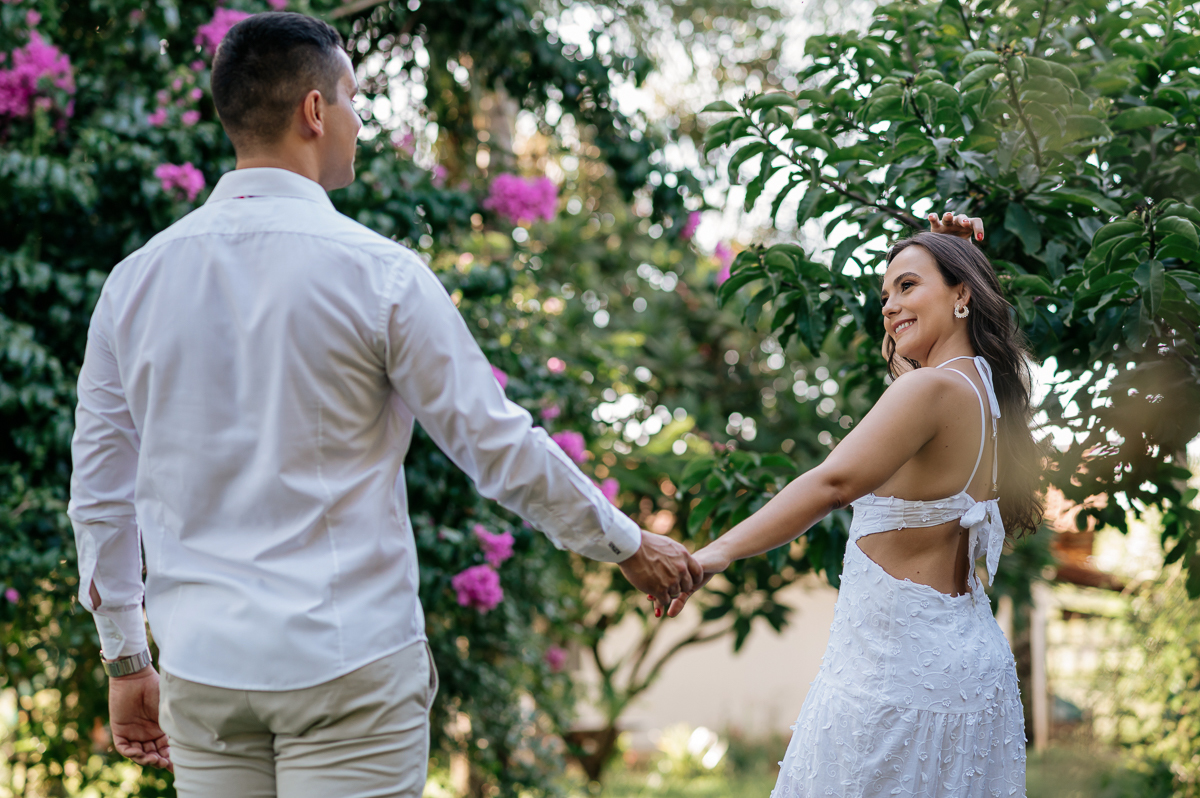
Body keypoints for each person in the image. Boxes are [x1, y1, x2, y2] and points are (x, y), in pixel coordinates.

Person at [67, 11, 700, 797]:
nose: (361, 123)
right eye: (355, 100)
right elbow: (492, 442)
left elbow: (99, 488)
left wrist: (126, 656)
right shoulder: (379, 275)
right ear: (313, 112)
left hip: (204, 675)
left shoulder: (134, 283)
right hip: (348, 667)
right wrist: (625, 544)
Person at [666, 213, 1044, 797]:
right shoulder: (984, 396)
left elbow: (831, 485)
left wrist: (709, 558)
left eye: (908, 286)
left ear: (961, 294)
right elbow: (904, 374)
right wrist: (949, 257)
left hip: (896, 681)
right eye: (885, 293)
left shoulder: (931, 389)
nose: (889, 306)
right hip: (969, 678)